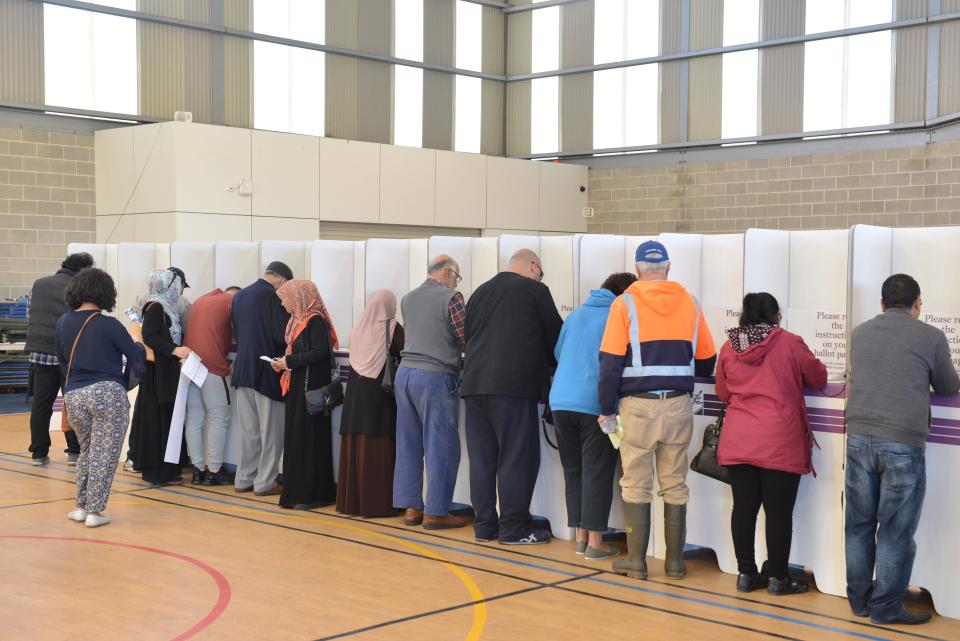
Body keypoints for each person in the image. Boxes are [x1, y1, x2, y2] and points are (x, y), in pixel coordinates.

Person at [844, 274, 960, 625]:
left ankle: (860, 601)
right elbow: (947, 385)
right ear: (917, 303)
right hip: (902, 443)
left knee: (858, 525)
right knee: (895, 529)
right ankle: (886, 607)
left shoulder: (860, 333)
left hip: (858, 437)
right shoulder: (930, 337)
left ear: (881, 303)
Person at [598, 240, 716, 580]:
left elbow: (609, 364)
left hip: (637, 407)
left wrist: (606, 410)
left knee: (635, 483)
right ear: (668, 268)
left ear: (637, 270)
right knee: (675, 483)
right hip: (678, 405)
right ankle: (676, 563)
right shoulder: (691, 304)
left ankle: (636, 561)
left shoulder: (624, 304)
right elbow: (708, 362)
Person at [715, 293, 827, 595]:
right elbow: (818, 377)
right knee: (778, 512)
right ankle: (778, 578)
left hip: (739, 438)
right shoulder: (790, 342)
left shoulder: (729, 346)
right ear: (776, 315)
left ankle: (746, 575)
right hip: (779, 438)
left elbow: (722, 391)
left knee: (744, 508)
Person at [461, 249, 563, 545]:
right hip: (513, 387)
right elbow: (555, 338)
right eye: (540, 271)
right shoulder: (535, 290)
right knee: (516, 458)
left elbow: (468, 337)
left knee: (482, 460)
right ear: (533, 266)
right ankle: (514, 527)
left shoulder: (479, 292)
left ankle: (484, 526)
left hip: (474, 385)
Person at [550, 272, 636, 560]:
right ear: (625, 293)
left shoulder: (575, 316)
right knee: (597, 471)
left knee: (573, 470)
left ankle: (580, 537)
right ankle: (596, 544)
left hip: (561, 401)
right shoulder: (618, 316)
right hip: (594, 404)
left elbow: (559, 353)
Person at [56, 268, 146, 527]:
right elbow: (135, 357)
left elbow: (62, 362)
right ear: (106, 293)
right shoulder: (110, 325)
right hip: (106, 393)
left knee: (86, 451)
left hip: (74, 395)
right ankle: (95, 512)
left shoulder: (63, 322)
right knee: (104, 454)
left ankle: (81, 507)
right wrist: (138, 341)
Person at [393, 256, 467, 529]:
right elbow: (465, 336)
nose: (456, 283)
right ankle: (436, 512)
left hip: (405, 375)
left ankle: (412, 507)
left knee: (408, 443)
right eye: (456, 277)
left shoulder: (408, 298)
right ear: (448, 273)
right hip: (435, 376)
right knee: (441, 445)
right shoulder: (452, 298)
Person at [337, 289, 404, 517]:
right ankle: (377, 504)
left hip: (355, 396)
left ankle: (352, 503)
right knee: (378, 448)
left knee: (355, 446)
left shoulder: (358, 328)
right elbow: (405, 354)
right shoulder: (393, 329)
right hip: (378, 397)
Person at [272, 279, 338, 509]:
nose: (283, 304)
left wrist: (289, 361)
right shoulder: (297, 321)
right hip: (297, 386)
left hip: (310, 387)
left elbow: (321, 352)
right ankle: (297, 491)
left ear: (299, 297)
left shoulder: (315, 320)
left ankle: (311, 494)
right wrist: (283, 363)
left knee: (308, 439)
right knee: (296, 437)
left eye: (286, 299)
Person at [26, 252, 94, 466]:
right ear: (83, 269)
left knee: (41, 404)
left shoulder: (39, 284)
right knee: (73, 403)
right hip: (68, 355)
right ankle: (74, 451)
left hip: (39, 352)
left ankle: (38, 454)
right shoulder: (77, 287)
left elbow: (30, 315)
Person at [231, 262, 293, 496]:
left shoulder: (240, 296)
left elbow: (237, 333)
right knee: (272, 433)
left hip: (242, 371)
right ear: (282, 280)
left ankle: (244, 479)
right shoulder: (273, 297)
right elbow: (281, 335)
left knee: (249, 432)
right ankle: (265, 483)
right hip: (268, 371)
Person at [130, 269, 192, 485]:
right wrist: (174, 350)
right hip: (158, 374)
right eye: (177, 284)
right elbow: (149, 335)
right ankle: (158, 472)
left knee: (163, 420)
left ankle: (165, 471)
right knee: (158, 420)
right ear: (169, 285)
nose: (180, 288)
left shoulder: (163, 305)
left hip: (162, 372)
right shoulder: (156, 306)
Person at [183, 286, 241, 486]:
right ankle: (214, 471)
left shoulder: (202, 299)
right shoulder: (231, 302)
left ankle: (198, 470)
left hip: (191, 366)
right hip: (213, 367)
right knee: (219, 417)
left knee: (195, 418)